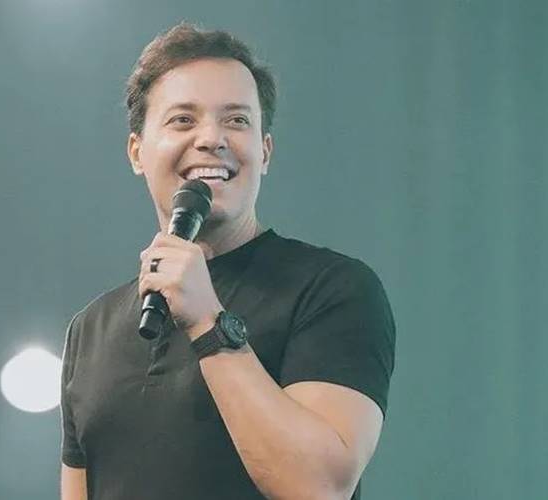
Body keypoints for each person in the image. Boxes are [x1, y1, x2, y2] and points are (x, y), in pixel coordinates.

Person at [60, 22, 396, 500]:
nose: (211, 138)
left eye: (236, 120)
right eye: (183, 120)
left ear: (265, 151)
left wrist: (208, 322)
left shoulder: (333, 289)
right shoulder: (89, 329)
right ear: (136, 151)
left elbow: (319, 486)